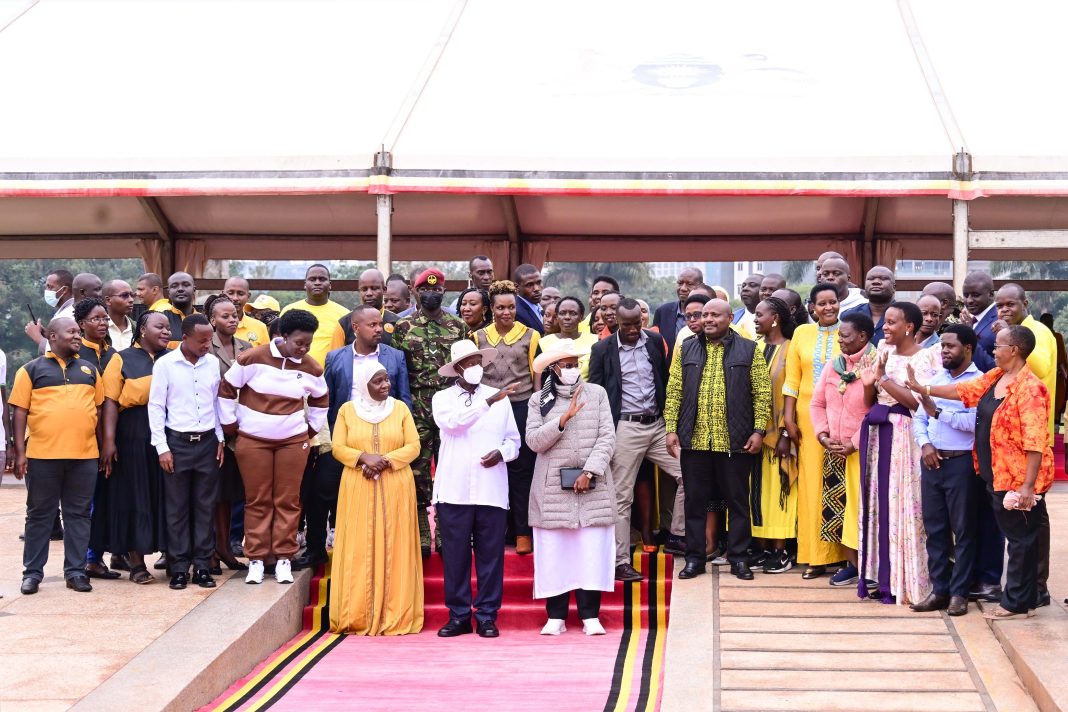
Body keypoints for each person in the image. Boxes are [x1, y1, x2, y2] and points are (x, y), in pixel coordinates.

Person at [911, 325, 1054, 620]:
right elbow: (963, 391)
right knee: (1018, 536)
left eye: (998, 346)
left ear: (1014, 350)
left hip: (1018, 477)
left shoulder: (1030, 388)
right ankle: (1025, 599)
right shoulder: (997, 377)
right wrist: (924, 388)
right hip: (995, 472)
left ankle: (1016, 603)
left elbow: (1035, 441)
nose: (992, 351)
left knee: (1021, 540)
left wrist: (1028, 486)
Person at [665, 298, 772, 581]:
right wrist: (671, 428)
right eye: (704, 315)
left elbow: (762, 393)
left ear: (729, 319)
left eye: (715, 315)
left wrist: (758, 430)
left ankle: (738, 559)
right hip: (694, 440)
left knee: (738, 502)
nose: (708, 319)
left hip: (734, 441)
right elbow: (674, 389)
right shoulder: (687, 347)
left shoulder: (749, 349)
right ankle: (695, 558)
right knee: (695, 503)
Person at [219, 309, 329, 585]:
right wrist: (231, 425)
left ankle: (283, 558)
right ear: (283, 336)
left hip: (292, 442)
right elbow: (226, 389)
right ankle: (255, 559)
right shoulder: (252, 358)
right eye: (298, 343)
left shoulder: (311, 367)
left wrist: (309, 431)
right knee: (258, 499)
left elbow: (321, 401)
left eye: (308, 344)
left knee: (288, 500)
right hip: (253, 441)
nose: (303, 349)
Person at [306, 304, 411, 570]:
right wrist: (325, 439)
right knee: (322, 492)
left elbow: (402, 397)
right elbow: (325, 400)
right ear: (355, 328)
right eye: (373, 325)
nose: (379, 329)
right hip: (343, 438)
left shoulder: (394, 356)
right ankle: (316, 548)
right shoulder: (336, 357)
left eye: (380, 324)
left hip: (382, 441)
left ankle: (373, 555)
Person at [588, 298, 685, 581]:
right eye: (626, 325)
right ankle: (620, 561)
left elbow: (664, 381)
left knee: (689, 474)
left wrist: (671, 424)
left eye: (636, 323)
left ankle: (678, 535)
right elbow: (596, 391)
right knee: (620, 495)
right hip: (625, 428)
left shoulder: (653, 341)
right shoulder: (602, 349)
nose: (633, 330)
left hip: (657, 425)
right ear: (614, 323)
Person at [432, 341, 521, 638]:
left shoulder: (500, 399)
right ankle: (458, 616)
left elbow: (514, 442)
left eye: (478, 361)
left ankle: (486, 615)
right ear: (457, 369)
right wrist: (487, 403)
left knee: (490, 556)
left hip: (491, 489)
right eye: (468, 363)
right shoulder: (443, 398)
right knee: (455, 556)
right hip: (453, 489)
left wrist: (501, 453)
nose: (474, 368)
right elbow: (453, 426)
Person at [527, 340, 616, 636]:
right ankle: (556, 616)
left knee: (590, 549)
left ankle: (590, 615)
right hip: (552, 486)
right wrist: (561, 421)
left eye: (575, 363)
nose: (573, 369)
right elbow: (534, 442)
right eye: (566, 365)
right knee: (555, 552)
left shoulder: (598, 394)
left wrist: (590, 471)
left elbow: (607, 437)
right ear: (554, 368)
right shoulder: (539, 400)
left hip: (593, 485)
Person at [329, 360, 423, 635]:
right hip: (358, 483)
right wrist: (362, 459)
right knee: (359, 544)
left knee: (396, 543)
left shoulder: (401, 408)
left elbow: (414, 445)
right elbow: (337, 447)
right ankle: (357, 613)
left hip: (395, 483)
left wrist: (384, 461)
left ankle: (396, 613)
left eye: (386, 380)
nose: (386, 385)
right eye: (378, 381)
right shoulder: (347, 410)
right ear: (363, 384)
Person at [11, 317, 104, 595]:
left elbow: (98, 410)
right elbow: (19, 411)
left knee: (78, 516)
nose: (78, 336)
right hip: (42, 456)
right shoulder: (30, 371)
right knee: (39, 515)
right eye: (71, 332)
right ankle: (32, 574)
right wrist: (20, 452)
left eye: (78, 331)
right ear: (52, 335)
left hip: (84, 456)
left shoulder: (89, 369)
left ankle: (75, 572)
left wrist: (101, 449)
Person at [856, 301, 939, 604]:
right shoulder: (882, 351)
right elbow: (870, 399)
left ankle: (905, 579)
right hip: (877, 430)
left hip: (905, 433)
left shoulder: (926, 357)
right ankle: (881, 576)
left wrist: (883, 378)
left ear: (910, 327)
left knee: (903, 501)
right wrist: (870, 383)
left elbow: (918, 404)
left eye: (892, 322)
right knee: (879, 502)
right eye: (885, 322)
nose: (885, 328)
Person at [907, 325, 982, 616]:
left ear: (968, 349)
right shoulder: (936, 379)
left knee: (963, 531)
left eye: (950, 346)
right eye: (943, 346)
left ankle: (959, 593)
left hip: (962, 463)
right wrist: (925, 444)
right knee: (935, 529)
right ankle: (939, 590)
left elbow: (972, 424)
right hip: (932, 462)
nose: (945, 351)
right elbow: (918, 419)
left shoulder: (978, 382)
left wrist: (938, 412)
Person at [394, 268, 469, 553]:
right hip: (417, 404)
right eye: (426, 289)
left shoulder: (458, 326)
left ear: (443, 292)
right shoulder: (402, 327)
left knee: (450, 466)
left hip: (450, 403)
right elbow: (398, 369)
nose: (432, 294)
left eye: (437, 290)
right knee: (417, 468)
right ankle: (423, 529)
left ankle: (445, 530)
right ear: (415, 291)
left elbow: (465, 367)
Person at [991, 283, 1057, 607]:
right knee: (1029, 526)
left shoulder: (1036, 332)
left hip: (1030, 442)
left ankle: (1036, 589)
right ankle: (1033, 589)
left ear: (1025, 303)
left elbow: (1041, 367)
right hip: (1014, 449)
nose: (1002, 310)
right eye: (998, 305)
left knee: (1031, 526)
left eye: (1009, 304)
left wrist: (1011, 336)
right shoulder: (1011, 339)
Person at [148, 315, 225, 591]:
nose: (208, 344)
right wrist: (162, 447)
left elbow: (216, 403)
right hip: (176, 443)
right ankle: (179, 567)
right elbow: (156, 406)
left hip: (207, 442)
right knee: (177, 507)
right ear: (185, 337)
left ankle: (203, 566)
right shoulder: (165, 364)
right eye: (202, 340)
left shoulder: (213, 363)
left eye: (210, 339)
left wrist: (219, 437)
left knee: (205, 506)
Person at [98, 312, 173, 585]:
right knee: (135, 494)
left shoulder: (173, 358)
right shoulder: (122, 358)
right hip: (133, 433)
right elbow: (109, 402)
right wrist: (109, 440)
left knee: (167, 495)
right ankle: (137, 563)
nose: (166, 332)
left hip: (168, 431)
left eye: (168, 328)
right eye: (160, 327)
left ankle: (172, 556)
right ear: (142, 330)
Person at [472, 280, 541, 555]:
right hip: (491, 408)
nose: (506, 312)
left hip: (522, 406)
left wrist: (536, 408)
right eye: (500, 307)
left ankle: (522, 531)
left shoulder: (532, 335)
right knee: (491, 468)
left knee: (522, 469)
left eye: (511, 307)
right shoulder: (477, 337)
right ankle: (494, 532)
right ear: (491, 308)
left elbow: (537, 379)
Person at [783, 283, 845, 579]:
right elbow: (791, 381)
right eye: (822, 303)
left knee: (841, 484)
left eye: (833, 302)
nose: (829, 308)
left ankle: (845, 557)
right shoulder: (801, 333)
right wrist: (787, 419)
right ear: (812, 307)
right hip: (806, 418)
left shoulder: (849, 332)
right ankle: (814, 556)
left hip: (842, 416)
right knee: (811, 486)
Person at [810, 311, 877, 585]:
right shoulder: (833, 365)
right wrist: (823, 435)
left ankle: (871, 567)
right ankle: (852, 564)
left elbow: (877, 409)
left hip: (863, 451)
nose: (840, 341)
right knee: (838, 510)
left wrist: (853, 442)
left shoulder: (876, 364)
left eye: (846, 336)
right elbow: (817, 403)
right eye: (839, 335)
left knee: (864, 510)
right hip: (834, 449)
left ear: (863, 336)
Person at [750, 297, 800, 573]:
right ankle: (762, 547)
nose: (755, 319)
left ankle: (780, 551)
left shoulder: (791, 349)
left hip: (779, 436)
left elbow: (790, 391)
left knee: (779, 490)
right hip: (754, 435)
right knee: (757, 493)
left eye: (760, 315)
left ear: (776, 318)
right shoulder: (755, 348)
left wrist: (784, 432)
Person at [205, 296, 252, 572]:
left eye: (235, 315)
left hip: (238, 429)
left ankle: (224, 545)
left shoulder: (246, 348)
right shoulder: (204, 345)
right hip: (212, 428)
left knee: (229, 491)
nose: (232, 319)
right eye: (225, 316)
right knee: (212, 491)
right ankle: (209, 549)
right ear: (213, 320)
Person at [73, 298, 118, 578]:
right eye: (96, 319)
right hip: (84, 438)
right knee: (86, 502)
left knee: (107, 499)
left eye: (105, 319)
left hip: (111, 437)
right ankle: (86, 558)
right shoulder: (77, 354)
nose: (102, 323)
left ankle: (105, 554)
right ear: (81, 324)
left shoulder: (113, 353)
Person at [280, 264, 351, 367]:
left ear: (330, 284)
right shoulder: (289, 311)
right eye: (312, 279)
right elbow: (280, 345)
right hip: (293, 375)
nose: (317, 283)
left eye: (322, 279)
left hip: (330, 378)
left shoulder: (345, 314)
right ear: (305, 284)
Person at [331, 268, 402, 349]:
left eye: (374, 288)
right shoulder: (344, 324)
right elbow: (336, 358)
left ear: (384, 290)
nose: (369, 293)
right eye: (364, 289)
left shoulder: (398, 323)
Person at [541, 297, 598, 380]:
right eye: (562, 313)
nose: (567, 317)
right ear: (557, 316)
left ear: (581, 317)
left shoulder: (595, 341)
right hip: (554, 391)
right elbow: (539, 376)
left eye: (573, 313)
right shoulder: (543, 343)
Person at [653, 267, 704, 354]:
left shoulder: (708, 314)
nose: (683, 288)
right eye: (680, 283)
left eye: (689, 284)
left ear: (701, 286)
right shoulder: (662, 312)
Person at [841, 266, 894, 344]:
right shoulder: (849, 316)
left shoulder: (905, 315)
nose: (876, 282)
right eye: (871, 279)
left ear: (894, 287)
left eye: (883, 278)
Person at [24, 268, 74, 352]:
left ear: (64, 290)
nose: (47, 291)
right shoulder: (63, 312)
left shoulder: (68, 315)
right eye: (46, 287)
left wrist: (37, 337)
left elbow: (59, 351)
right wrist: (46, 334)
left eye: (50, 287)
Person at [961, 271, 997, 372]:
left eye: (975, 295)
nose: (969, 300)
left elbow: (997, 368)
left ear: (991, 294)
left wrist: (969, 335)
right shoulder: (968, 320)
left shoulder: (1001, 320)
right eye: (966, 295)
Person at [1039, 312, 1068, 429]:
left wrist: (1065, 375)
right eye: (1047, 320)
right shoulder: (1039, 336)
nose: (1049, 323)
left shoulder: (1057, 336)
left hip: (1057, 375)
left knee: (1057, 400)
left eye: (1050, 320)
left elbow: (1061, 358)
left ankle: (1054, 424)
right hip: (1045, 373)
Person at [222, 277, 270, 346]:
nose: (235, 298)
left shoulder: (260, 327)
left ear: (248, 296)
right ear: (222, 294)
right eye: (230, 293)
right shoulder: (213, 325)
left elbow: (265, 355)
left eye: (240, 294)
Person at [154, 272, 197, 339]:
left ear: (194, 290)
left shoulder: (203, 321)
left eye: (186, 285)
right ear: (169, 292)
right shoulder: (158, 319)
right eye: (174, 286)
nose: (180, 289)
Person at [103, 279, 136, 350]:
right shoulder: (99, 329)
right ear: (108, 300)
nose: (131, 300)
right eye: (124, 295)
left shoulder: (137, 329)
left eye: (132, 295)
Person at [512, 263, 545, 334]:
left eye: (539, 282)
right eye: (529, 285)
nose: (536, 289)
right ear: (517, 288)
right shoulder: (516, 313)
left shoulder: (540, 307)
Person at [732, 272, 763, 337]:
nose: (745, 288)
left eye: (752, 285)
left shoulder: (773, 320)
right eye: (743, 286)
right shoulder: (732, 318)